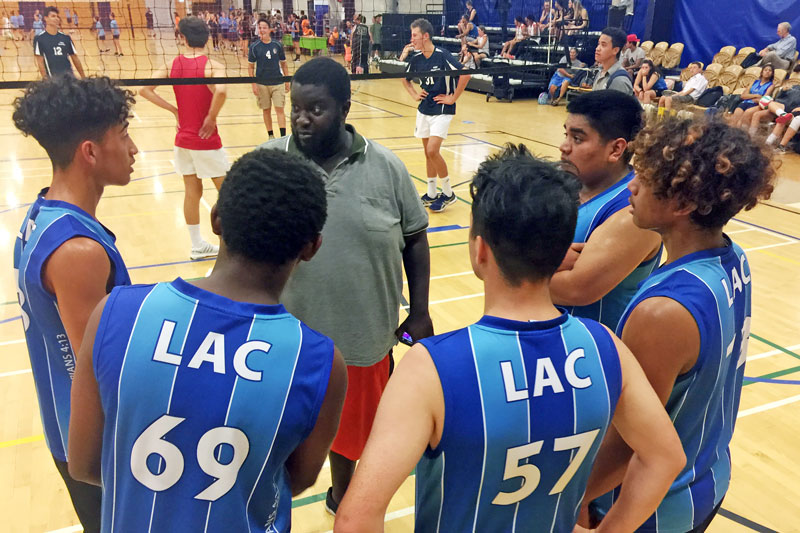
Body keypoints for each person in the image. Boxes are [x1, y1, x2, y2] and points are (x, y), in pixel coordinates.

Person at [334, 144, 685, 533]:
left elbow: (354, 519)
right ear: (561, 253)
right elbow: (665, 458)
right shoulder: (605, 347)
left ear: (480, 249)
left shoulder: (432, 367)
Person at [67, 147, 348, 532]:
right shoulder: (318, 361)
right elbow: (296, 479)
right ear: (312, 247)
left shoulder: (117, 312)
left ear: (216, 219)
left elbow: (83, 462)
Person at [583, 117, 775, 533]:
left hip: (652, 509)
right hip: (708, 473)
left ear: (683, 204)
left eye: (645, 179)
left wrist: (573, 497)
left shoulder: (663, 313)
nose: (630, 187)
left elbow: (631, 441)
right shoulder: (732, 257)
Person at [261, 57, 433, 516]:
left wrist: (419, 311)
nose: (301, 118)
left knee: (351, 435)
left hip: (363, 338)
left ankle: (341, 496)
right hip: (284, 338)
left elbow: (415, 237)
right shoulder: (270, 163)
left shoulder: (387, 167)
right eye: (297, 108)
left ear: (344, 107)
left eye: (315, 108)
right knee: (277, 431)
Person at [13, 75, 137, 533]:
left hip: (66, 428)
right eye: (123, 135)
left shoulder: (39, 215)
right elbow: (100, 368)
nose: (134, 148)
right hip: (93, 441)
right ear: (90, 151)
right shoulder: (78, 251)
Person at [552, 91, 662, 331]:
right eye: (566, 134)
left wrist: (505, 267)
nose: (564, 147)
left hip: (599, 355)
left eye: (578, 139)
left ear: (616, 149)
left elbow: (576, 289)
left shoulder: (634, 210)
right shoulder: (560, 181)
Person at [140, 16, 229, 260]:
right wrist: (211, 117)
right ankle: (236, 246)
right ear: (207, 38)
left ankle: (197, 245)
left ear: (183, 38)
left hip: (183, 141)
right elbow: (221, 90)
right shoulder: (212, 66)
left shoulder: (173, 64)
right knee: (230, 192)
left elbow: (144, 89)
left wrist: (173, 110)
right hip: (206, 140)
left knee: (192, 191)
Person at [401, 18, 470, 213]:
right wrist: (415, 94)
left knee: (432, 151)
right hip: (424, 109)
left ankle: (448, 193)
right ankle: (431, 193)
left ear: (425, 36)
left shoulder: (442, 55)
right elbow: (405, 79)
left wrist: (452, 98)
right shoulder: (416, 58)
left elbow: (465, 74)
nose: (411, 39)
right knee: (427, 153)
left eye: (414, 35)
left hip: (442, 109)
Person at [248, 18, 289, 139]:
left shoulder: (277, 45)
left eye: (264, 27)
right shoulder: (254, 47)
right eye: (260, 28)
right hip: (262, 83)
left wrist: (287, 81)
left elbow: (284, 64)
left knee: (279, 109)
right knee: (266, 110)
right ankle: (271, 136)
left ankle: (283, 137)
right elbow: (250, 67)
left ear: (270, 29)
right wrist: (253, 84)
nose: (262, 30)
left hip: (278, 82)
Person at [34, 7, 85, 78]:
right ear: (46, 18)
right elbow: (40, 61)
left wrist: (83, 77)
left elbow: (75, 57)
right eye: (53, 16)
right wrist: (45, 80)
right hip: (53, 80)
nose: (56, 18)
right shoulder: (39, 38)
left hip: (69, 78)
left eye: (57, 16)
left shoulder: (66, 38)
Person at [592, 26, 632, 94]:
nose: (597, 48)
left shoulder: (619, 81)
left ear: (615, 50)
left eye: (603, 45)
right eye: (598, 44)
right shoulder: (600, 72)